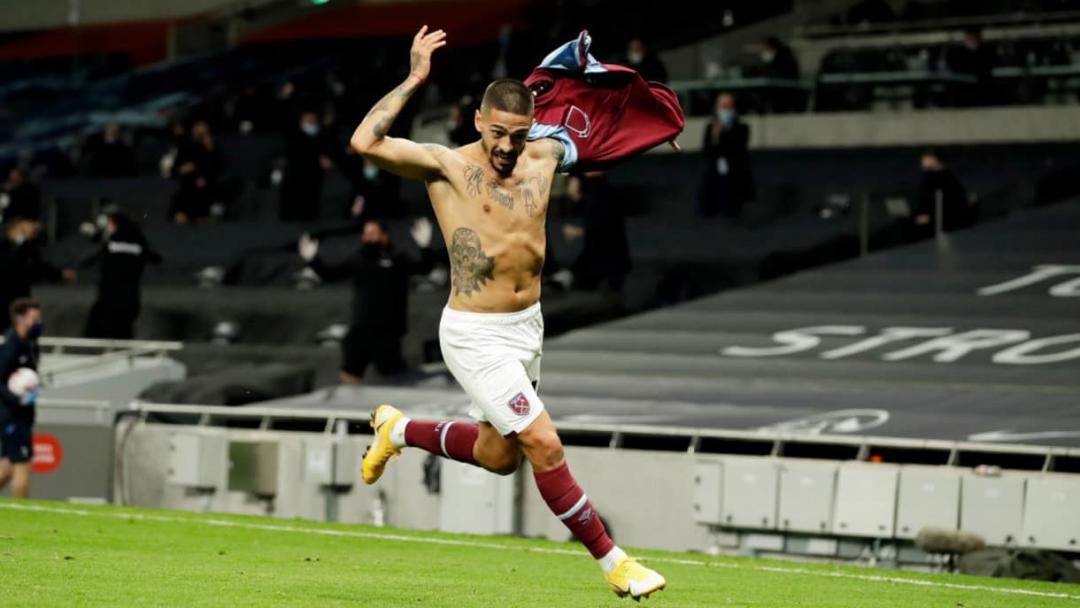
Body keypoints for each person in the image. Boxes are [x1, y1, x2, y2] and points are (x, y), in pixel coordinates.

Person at [352, 26, 665, 599]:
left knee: (500, 456)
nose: (505, 146)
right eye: (497, 133)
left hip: (527, 329)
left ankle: (396, 429)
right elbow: (365, 144)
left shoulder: (542, 159)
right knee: (544, 443)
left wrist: (650, 127)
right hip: (474, 333)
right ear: (478, 122)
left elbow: (602, 137)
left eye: (516, 135)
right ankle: (615, 562)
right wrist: (416, 78)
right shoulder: (445, 167)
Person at [298, 218, 435, 384]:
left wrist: (425, 247)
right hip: (361, 329)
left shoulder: (398, 259)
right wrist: (313, 260)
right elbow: (331, 275)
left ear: (384, 236)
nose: (368, 237)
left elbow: (425, 268)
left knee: (394, 376)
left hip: (388, 331)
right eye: (366, 233)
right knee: (350, 371)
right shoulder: (358, 259)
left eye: (373, 233)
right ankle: (350, 406)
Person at [81, 210, 162, 340]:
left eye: (110, 225)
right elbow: (156, 258)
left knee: (100, 332)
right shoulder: (139, 244)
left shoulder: (110, 245)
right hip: (130, 300)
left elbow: (86, 262)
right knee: (123, 333)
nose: (108, 228)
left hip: (110, 299)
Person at [0, 298, 44, 498]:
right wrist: (16, 398)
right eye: (34, 318)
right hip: (12, 414)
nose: (38, 322)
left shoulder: (30, 344)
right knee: (22, 464)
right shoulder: (10, 345)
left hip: (23, 413)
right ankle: (21, 509)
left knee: (8, 465)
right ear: (21, 318)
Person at [0, 218, 74, 334]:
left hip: (19, 296)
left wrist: (59, 275)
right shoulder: (7, 247)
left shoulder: (27, 249)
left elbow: (38, 267)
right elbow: (11, 265)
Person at [562, 173, 631, 292]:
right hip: (607, 261)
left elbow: (602, 231)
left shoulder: (598, 197)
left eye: (572, 182)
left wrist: (577, 232)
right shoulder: (596, 198)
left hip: (608, 262)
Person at [698, 93, 754, 218]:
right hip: (714, 179)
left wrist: (722, 135)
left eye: (729, 106)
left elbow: (736, 148)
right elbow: (706, 152)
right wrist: (715, 136)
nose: (726, 110)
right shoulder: (711, 128)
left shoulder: (742, 128)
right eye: (723, 106)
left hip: (736, 178)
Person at [279, 110, 337, 222]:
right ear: (301, 123)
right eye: (308, 121)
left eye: (313, 121)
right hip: (296, 183)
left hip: (314, 185)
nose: (311, 124)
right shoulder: (294, 140)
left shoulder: (323, 139)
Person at [169, 121, 226, 223]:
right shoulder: (186, 148)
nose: (201, 134)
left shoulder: (212, 149)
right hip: (189, 190)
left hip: (209, 189)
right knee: (182, 202)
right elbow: (174, 171)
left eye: (204, 132)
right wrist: (183, 169)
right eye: (198, 131)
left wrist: (210, 148)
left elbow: (219, 167)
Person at [912, 149, 973, 239]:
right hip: (932, 224)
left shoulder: (946, 180)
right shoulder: (929, 179)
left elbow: (952, 203)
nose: (923, 162)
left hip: (945, 225)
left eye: (927, 159)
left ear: (935, 160)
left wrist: (930, 217)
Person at [947, 28, 995, 107]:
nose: (971, 40)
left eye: (973, 37)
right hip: (964, 88)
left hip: (981, 87)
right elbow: (955, 68)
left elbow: (987, 67)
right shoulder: (959, 53)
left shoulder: (986, 52)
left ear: (978, 38)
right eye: (969, 37)